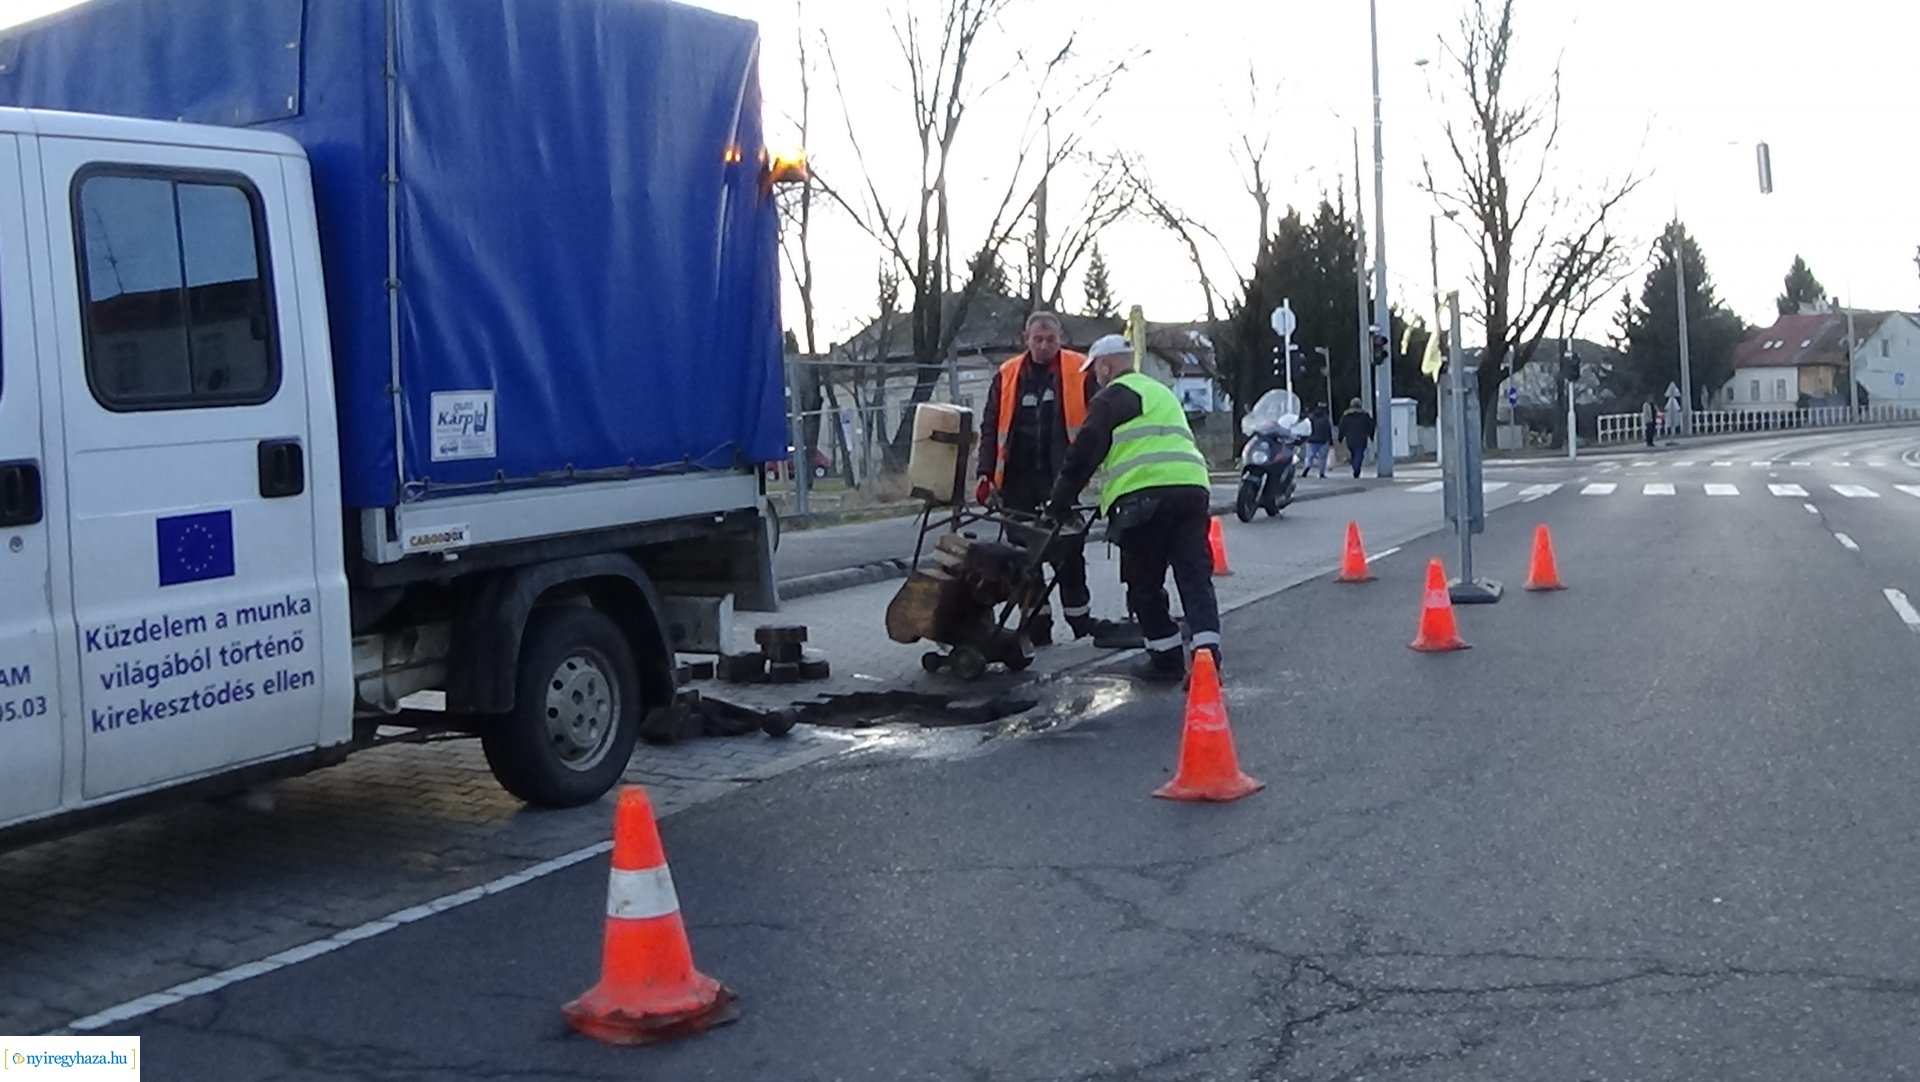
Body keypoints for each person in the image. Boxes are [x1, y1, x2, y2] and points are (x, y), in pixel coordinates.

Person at [1045, 334, 1220, 684]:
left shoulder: (1111, 397)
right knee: (1193, 575)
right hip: (1191, 489)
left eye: (1095, 370)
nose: (1094, 377)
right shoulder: (1159, 392)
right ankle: (1207, 655)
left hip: (1144, 500)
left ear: (1106, 366)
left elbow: (1083, 454)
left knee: (1143, 582)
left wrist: (1058, 503)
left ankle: (1166, 658)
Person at [977, 312, 1138, 648]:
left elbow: (1103, 417)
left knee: (1068, 552)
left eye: (1050, 340)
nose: (1044, 346)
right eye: (1038, 339)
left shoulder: (1080, 370)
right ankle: (1038, 624)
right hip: (1016, 483)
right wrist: (985, 474)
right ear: (1026, 338)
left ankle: (1080, 621)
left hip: (1063, 479)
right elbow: (991, 429)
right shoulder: (1007, 376)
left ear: (1060, 339)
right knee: (1024, 558)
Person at [1338, 397, 1375, 479]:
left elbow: (1342, 426)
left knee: (1354, 453)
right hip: (1361, 438)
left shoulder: (1346, 415)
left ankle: (1355, 466)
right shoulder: (1365, 415)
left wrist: (1340, 437)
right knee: (1359, 454)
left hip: (1350, 439)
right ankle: (1356, 468)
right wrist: (1371, 435)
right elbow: (1370, 426)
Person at [1305, 403, 1334, 478]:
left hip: (1311, 440)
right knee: (1322, 458)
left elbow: (1306, 428)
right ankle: (1321, 472)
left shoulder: (1311, 418)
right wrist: (1330, 441)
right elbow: (1328, 430)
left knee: (1309, 456)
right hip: (1322, 440)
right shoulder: (1325, 419)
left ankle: (1307, 466)